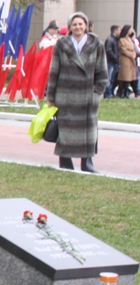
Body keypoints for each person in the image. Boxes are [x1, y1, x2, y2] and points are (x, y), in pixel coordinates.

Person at [46, 12, 107, 173]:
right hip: (65, 96)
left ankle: (87, 163)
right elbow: (54, 71)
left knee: (89, 131)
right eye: (74, 24)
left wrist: (97, 93)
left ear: (86, 26)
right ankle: (65, 162)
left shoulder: (96, 44)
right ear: (70, 27)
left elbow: (102, 72)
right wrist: (51, 96)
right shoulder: (61, 44)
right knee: (65, 130)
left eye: (81, 24)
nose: (78, 27)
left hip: (87, 97)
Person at [117, 25, 138, 98]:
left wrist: (134, 54)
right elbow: (123, 50)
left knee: (131, 77)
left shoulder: (130, 39)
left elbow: (134, 48)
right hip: (125, 60)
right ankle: (122, 92)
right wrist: (131, 54)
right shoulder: (122, 40)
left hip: (131, 61)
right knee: (125, 77)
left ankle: (128, 92)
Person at [105, 25, 119, 98]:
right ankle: (107, 93)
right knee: (109, 78)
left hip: (113, 62)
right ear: (115, 31)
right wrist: (115, 58)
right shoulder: (110, 39)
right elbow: (108, 50)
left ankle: (110, 92)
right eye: (119, 30)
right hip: (110, 62)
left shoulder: (115, 39)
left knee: (112, 78)